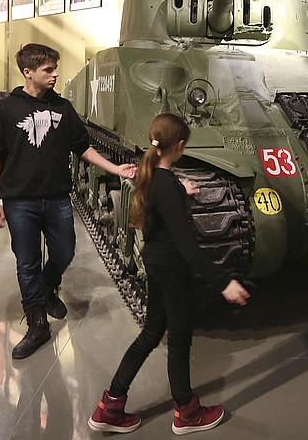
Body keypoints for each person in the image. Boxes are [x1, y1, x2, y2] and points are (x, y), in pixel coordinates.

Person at [88, 113, 250, 435]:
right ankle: (187, 413)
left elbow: (164, 196)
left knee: (151, 335)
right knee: (178, 341)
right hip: (173, 269)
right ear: (180, 146)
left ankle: (111, 406)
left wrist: (181, 190)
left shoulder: (155, 176)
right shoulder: (165, 184)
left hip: (157, 263)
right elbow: (187, 247)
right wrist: (223, 282)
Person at [0, 43, 136, 360]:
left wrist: (114, 167)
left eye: (55, 68)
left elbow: (82, 147)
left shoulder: (63, 108)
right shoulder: (6, 110)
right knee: (26, 262)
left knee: (64, 252)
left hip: (56, 198)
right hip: (19, 200)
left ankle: (47, 286)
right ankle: (38, 325)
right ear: (28, 72)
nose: (55, 75)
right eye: (48, 70)